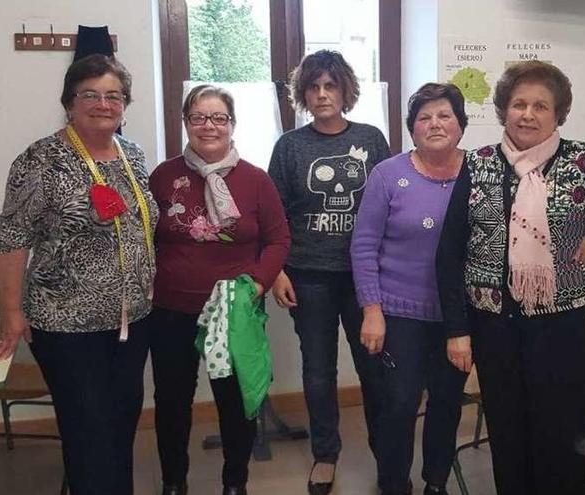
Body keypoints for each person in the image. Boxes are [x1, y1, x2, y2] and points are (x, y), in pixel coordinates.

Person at [436, 61, 585, 495]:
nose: (528, 114)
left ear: (558, 114)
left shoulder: (584, 162)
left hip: (560, 328)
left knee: (563, 437)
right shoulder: (480, 164)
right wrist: (457, 330)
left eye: (540, 106)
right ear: (504, 111)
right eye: (519, 104)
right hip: (493, 327)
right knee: (508, 434)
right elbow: (449, 251)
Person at [0, 54, 158, 495]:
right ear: (69, 101)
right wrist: (10, 311)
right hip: (66, 324)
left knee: (121, 423)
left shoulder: (131, 154)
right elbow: (12, 238)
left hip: (131, 320)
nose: (103, 103)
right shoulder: (41, 160)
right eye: (91, 94)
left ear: (125, 104)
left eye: (113, 95)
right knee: (88, 431)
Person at [148, 84, 290, 495]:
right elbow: (147, 237)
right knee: (173, 402)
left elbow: (279, 240)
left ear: (232, 124)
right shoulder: (164, 175)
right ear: (186, 123)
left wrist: (257, 284)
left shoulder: (256, 180)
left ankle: (235, 482)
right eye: (198, 117)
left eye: (218, 118)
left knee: (235, 402)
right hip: (172, 308)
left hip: (234, 310)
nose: (209, 126)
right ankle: (174, 481)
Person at [267, 50, 391, 495]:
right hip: (308, 275)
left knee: (374, 369)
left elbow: (390, 206)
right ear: (303, 93)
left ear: (344, 91)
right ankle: (325, 454)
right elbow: (274, 216)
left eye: (330, 86)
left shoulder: (372, 140)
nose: (322, 94)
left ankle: (387, 454)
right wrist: (278, 271)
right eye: (314, 87)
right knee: (318, 370)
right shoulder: (290, 147)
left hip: (365, 278)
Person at [351, 83, 470, 495]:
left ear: (460, 124)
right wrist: (372, 309)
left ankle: (436, 481)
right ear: (412, 128)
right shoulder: (388, 174)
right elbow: (364, 245)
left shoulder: (480, 175)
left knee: (447, 404)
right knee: (398, 407)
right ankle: (393, 484)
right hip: (399, 314)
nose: (434, 123)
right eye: (424, 117)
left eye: (444, 115)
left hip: (459, 317)